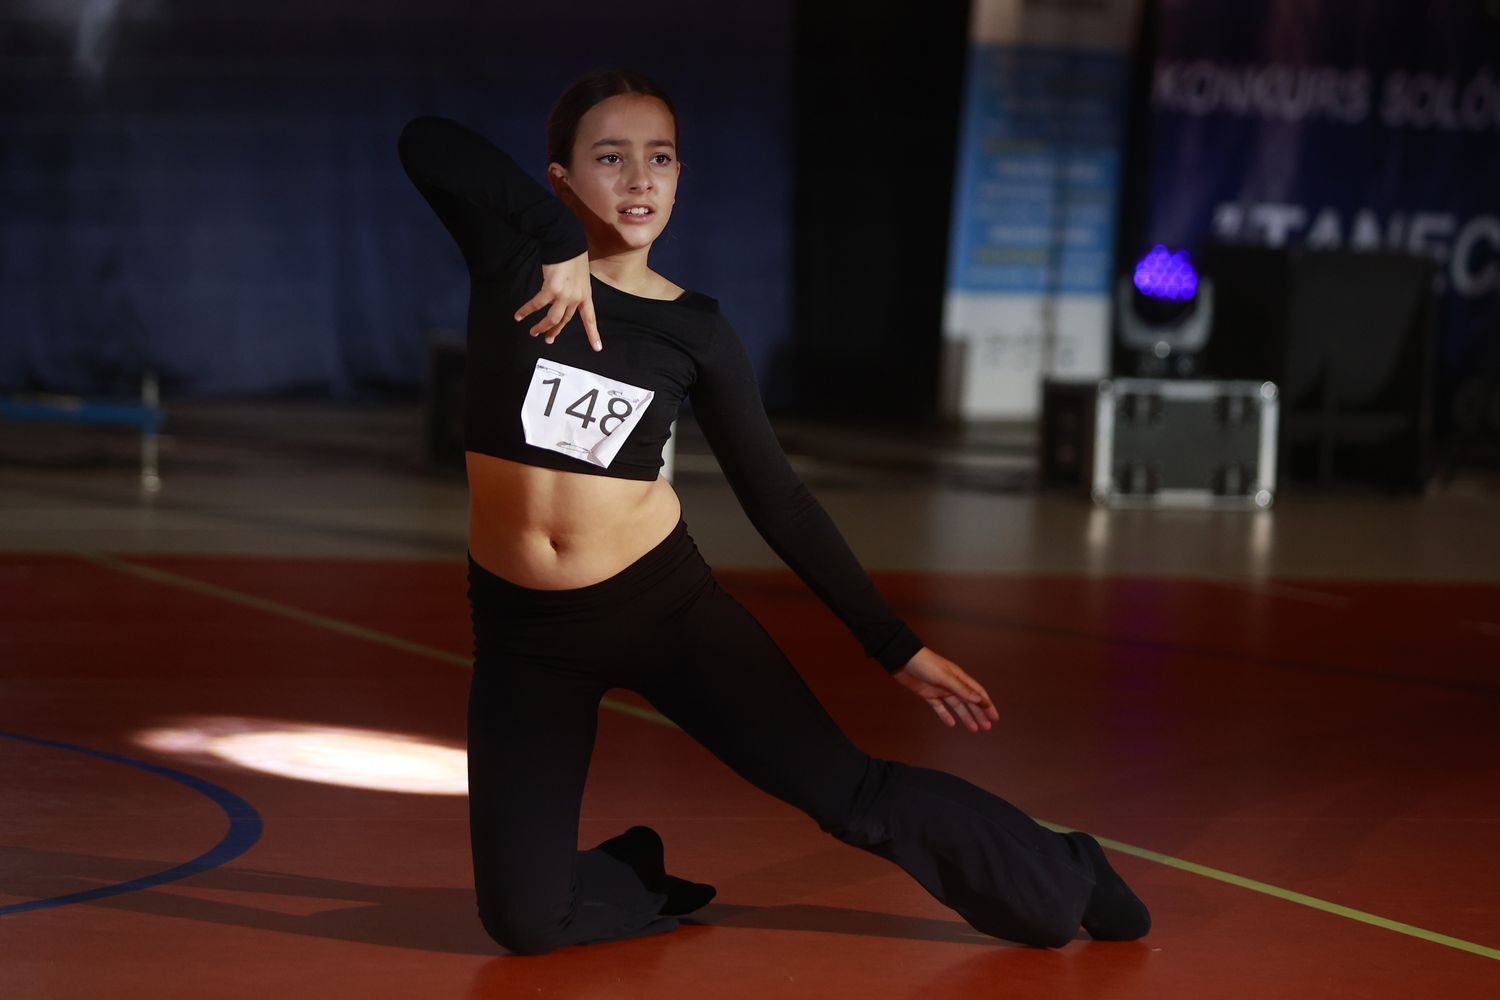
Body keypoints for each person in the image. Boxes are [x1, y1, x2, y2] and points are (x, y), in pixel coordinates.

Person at [397, 68, 1149, 956]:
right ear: (559, 178)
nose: (639, 179)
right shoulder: (513, 264)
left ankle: (1069, 867)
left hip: (661, 611)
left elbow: (779, 499)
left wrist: (893, 645)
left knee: (850, 797)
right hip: (523, 634)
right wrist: (555, 239)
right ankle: (637, 872)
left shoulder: (697, 331)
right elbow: (425, 140)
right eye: (609, 158)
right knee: (524, 922)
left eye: (660, 159)